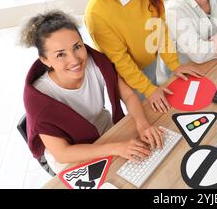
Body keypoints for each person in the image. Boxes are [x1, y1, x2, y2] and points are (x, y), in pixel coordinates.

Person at [21, 10, 164, 174]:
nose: (74, 60)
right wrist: (117, 148)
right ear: (45, 60)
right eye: (61, 54)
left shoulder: (96, 62)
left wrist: (143, 125)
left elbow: (129, 95)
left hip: (104, 130)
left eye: (77, 47)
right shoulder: (39, 98)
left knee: (149, 162)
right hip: (72, 154)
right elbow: (62, 153)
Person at [85, 0, 203, 114]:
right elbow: (120, 61)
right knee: (146, 113)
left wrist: (175, 65)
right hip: (123, 75)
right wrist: (148, 90)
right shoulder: (97, 11)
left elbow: (161, 32)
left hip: (148, 62)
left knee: (161, 103)